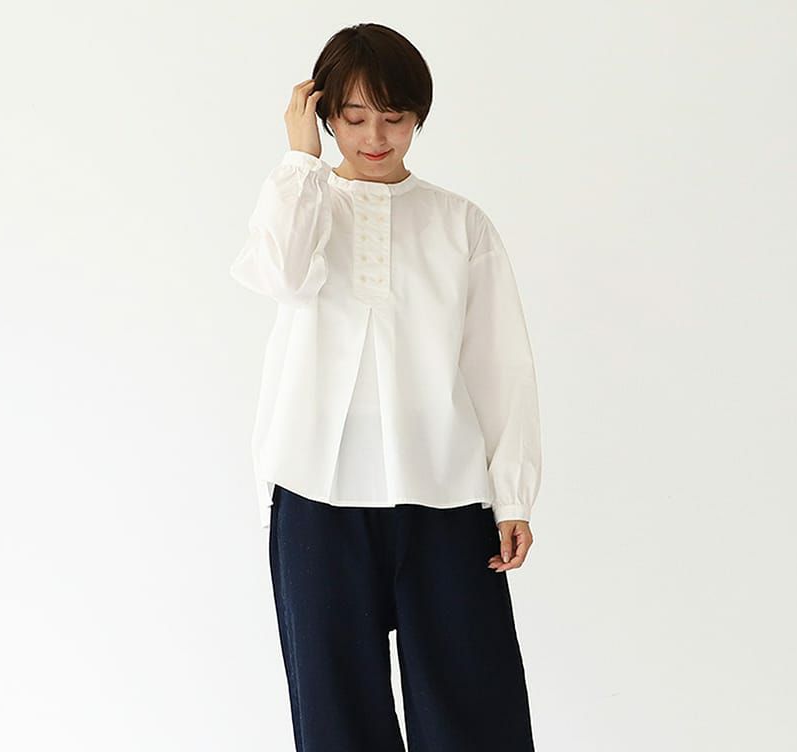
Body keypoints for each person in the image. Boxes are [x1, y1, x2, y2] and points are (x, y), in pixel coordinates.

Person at [230, 22, 541, 752]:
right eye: (354, 117)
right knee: (336, 721)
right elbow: (278, 275)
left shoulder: (460, 223)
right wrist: (299, 159)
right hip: (316, 498)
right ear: (324, 114)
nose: (375, 137)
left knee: (475, 715)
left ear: (418, 117)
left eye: (394, 118)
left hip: (445, 496)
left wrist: (513, 493)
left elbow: (499, 364)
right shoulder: (304, 205)